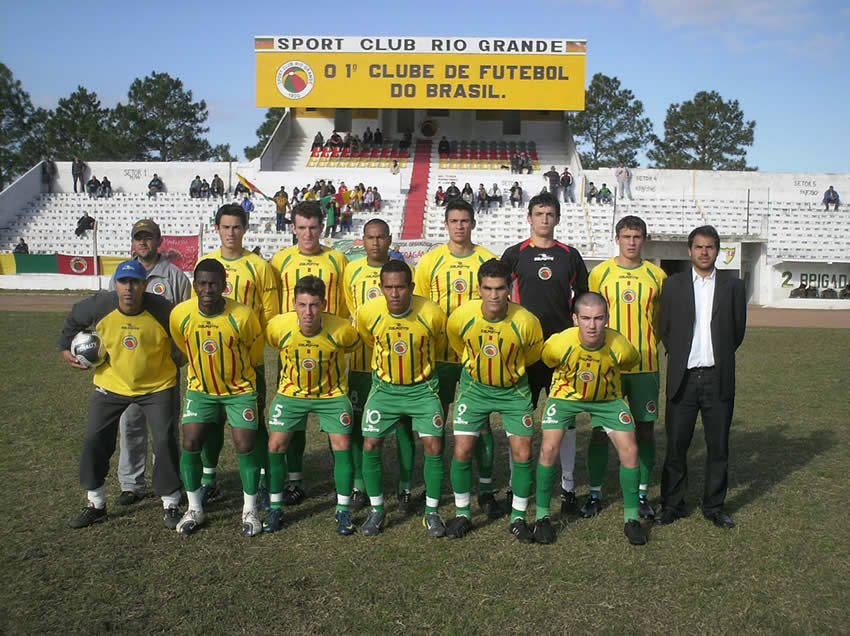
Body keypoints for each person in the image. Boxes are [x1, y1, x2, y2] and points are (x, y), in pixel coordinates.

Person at [59, 260, 182, 529]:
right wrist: (65, 348)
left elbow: (183, 337)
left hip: (157, 386)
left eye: (135, 282)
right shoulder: (99, 306)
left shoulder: (162, 309)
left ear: (145, 285)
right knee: (94, 438)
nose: (129, 288)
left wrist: (175, 361)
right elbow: (72, 321)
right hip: (111, 385)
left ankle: (171, 502)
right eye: (123, 282)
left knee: (164, 440)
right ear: (115, 284)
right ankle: (96, 503)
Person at [501, 191, 589, 516]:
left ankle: (567, 490)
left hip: (561, 355)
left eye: (550, 214)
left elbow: (584, 300)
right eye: (539, 213)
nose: (544, 219)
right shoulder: (515, 254)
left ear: (558, 218)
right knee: (520, 421)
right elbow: (496, 293)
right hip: (523, 355)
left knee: (563, 422)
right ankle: (514, 487)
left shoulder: (570, 255)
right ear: (529, 218)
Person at [534, 292, 646, 545]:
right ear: (575, 319)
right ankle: (542, 517)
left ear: (607, 318)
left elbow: (629, 363)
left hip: (607, 399)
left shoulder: (621, 346)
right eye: (585, 318)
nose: (592, 325)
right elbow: (548, 360)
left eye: (598, 318)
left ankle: (632, 519)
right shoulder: (559, 344)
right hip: (566, 397)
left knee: (630, 450)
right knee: (549, 448)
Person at [444, 259, 544, 542]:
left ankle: (519, 518)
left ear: (509, 288)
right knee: (462, 451)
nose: (494, 295)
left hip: (514, 391)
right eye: (488, 288)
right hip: (474, 389)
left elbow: (534, 353)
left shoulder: (526, 321)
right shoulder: (462, 316)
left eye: (500, 288)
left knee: (523, 453)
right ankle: (463, 513)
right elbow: (457, 342)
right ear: (479, 288)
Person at [656, 225, 746, 529]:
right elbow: (664, 327)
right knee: (676, 445)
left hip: (717, 378)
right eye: (699, 247)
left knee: (718, 446)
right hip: (683, 378)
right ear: (690, 250)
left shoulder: (733, 287)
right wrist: (682, 355)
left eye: (710, 247)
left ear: (717, 251)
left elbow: (737, 332)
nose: (704, 252)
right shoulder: (674, 285)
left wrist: (715, 356)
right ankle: (672, 504)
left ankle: (714, 506)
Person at [415, 200, 501, 517]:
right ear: (446, 223)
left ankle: (487, 488)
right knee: (434, 423)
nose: (459, 226)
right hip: (436, 357)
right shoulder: (430, 261)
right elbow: (421, 306)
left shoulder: (487, 259)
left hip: (476, 358)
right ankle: (436, 484)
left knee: (480, 426)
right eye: (454, 220)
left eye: (465, 220)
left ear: (473, 223)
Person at [170, 259, 266, 536]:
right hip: (201, 390)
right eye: (202, 283)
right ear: (194, 285)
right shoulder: (181, 314)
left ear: (224, 286)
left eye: (214, 283)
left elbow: (251, 348)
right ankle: (195, 508)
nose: (208, 289)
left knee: (245, 443)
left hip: (239, 390)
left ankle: (250, 509)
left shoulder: (243, 315)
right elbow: (181, 342)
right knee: (190, 441)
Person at [355, 260, 448, 537]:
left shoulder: (431, 313)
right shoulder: (369, 313)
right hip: (384, 389)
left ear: (411, 287)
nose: (394, 293)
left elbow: (439, 342)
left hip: (423, 389)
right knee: (370, 443)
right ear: (381, 287)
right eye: (389, 287)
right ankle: (377, 510)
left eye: (400, 287)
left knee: (433, 444)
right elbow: (370, 340)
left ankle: (432, 512)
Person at [264, 276, 361, 535]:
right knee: (275, 445)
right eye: (303, 305)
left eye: (315, 305)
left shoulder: (342, 329)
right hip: (291, 394)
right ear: (294, 303)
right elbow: (274, 345)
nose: (308, 312)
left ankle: (343, 509)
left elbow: (353, 345)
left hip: (331, 395)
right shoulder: (278, 327)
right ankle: (275, 507)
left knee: (342, 444)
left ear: (324, 304)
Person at [198, 204, 280, 511]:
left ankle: (259, 481)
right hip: (212, 362)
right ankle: (209, 480)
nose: (231, 232)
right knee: (211, 422)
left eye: (236, 227)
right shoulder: (205, 264)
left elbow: (270, 315)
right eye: (225, 227)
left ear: (245, 229)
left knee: (254, 424)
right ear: (217, 228)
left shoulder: (258, 266)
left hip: (248, 364)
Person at [585, 216, 666, 520]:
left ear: (644, 239)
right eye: (626, 236)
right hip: (607, 367)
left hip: (645, 365)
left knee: (644, 430)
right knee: (598, 432)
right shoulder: (600, 274)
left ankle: (642, 494)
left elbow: (660, 320)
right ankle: (594, 494)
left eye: (637, 236)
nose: (632, 241)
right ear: (616, 238)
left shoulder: (657, 275)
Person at [109, 219, 191, 507]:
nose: (143, 242)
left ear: (159, 241)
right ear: (133, 242)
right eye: (138, 238)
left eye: (148, 237)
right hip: (128, 368)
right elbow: (112, 318)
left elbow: (184, 320)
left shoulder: (175, 277)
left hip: (163, 370)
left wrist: (178, 356)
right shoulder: (119, 275)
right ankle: (131, 485)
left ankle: (166, 482)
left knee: (164, 429)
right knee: (130, 425)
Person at [271, 201, 348, 504]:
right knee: (293, 417)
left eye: (313, 227)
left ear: (322, 227)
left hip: (328, 348)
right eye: (301, 227)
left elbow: (344, 302)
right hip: (292, 348)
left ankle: (343, 481)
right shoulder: (281, 260)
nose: (307, 234)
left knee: (336, 417)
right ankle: (294, 478)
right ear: (293, 228)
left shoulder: (337, 259)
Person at [343, 219, 417, 513]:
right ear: (362, 240)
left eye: (381, 238)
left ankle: (406, 487)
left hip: (399, 364)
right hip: (362, 364)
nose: (375, 243)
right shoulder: (352, 270)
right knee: (361, 428)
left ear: (390, 239)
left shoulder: (401, 272)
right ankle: (361, 485)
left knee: (403, 427)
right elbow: (351, 310)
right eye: (370, 238)